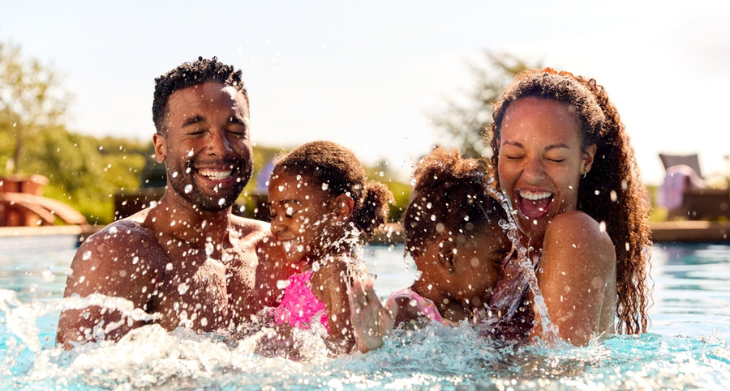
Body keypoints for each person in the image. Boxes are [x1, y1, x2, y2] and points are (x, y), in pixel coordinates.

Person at [56, 57, 295, 348]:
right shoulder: (120, 253)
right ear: (161, 147)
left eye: (235, 131)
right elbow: (80, 378)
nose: (220, 146)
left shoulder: (277, 247)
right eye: (196, 131)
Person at [486, 68, 651, 346]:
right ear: (498, 150)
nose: (533, 173)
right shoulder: (501, 250)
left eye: (555, 158)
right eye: (515, 155)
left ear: (586, 159)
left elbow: (555, 375)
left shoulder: (576, 234)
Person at [348, 147, 510, 353]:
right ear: (449, 257)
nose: (503, 273)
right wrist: (372, 347)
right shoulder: (405, 310)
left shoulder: (474, 313)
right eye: (497, 261)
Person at [266, 141, 393, 354]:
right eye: (273, 214)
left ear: (340, 209)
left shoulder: (337, 270)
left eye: (289, 212)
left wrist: (285, 347)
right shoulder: (320, 269)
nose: (276, 225)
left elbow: (343, 351)